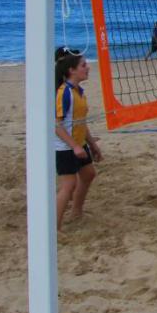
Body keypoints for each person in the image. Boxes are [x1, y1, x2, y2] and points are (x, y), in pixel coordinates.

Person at [54, 47, 103, 231]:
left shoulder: (78, 91)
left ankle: (76, 212)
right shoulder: (64, 93)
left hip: (78, 143)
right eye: (83, 65)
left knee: (89, 174)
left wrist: (92, 144)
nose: (88, 67)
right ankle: (55, 229)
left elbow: (80, 123)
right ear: (71, 70)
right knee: (68, 185)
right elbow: (56, 126)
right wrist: (74, 146)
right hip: (65, 147)